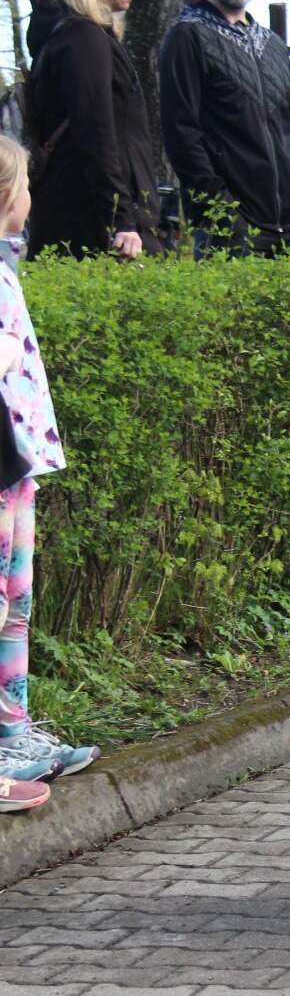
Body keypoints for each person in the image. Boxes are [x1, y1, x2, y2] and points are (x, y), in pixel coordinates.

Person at [0, 136, 102, 795]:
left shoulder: (6, 267)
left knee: (17, 602)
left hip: (18, 465)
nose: (32, 198)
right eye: (26, 185)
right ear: (7, 195)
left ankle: (13, 730)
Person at [159, 0, 290, 257]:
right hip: (230, 231)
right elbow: (181, 135)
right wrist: (221, 212)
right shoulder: (187, 37)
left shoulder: (273, 45)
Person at [23, 0, 162, 261]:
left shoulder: (66, 35)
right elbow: (95, 133)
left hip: (75, 216)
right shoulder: (83, 38)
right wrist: (122, 220)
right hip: (96, 227)